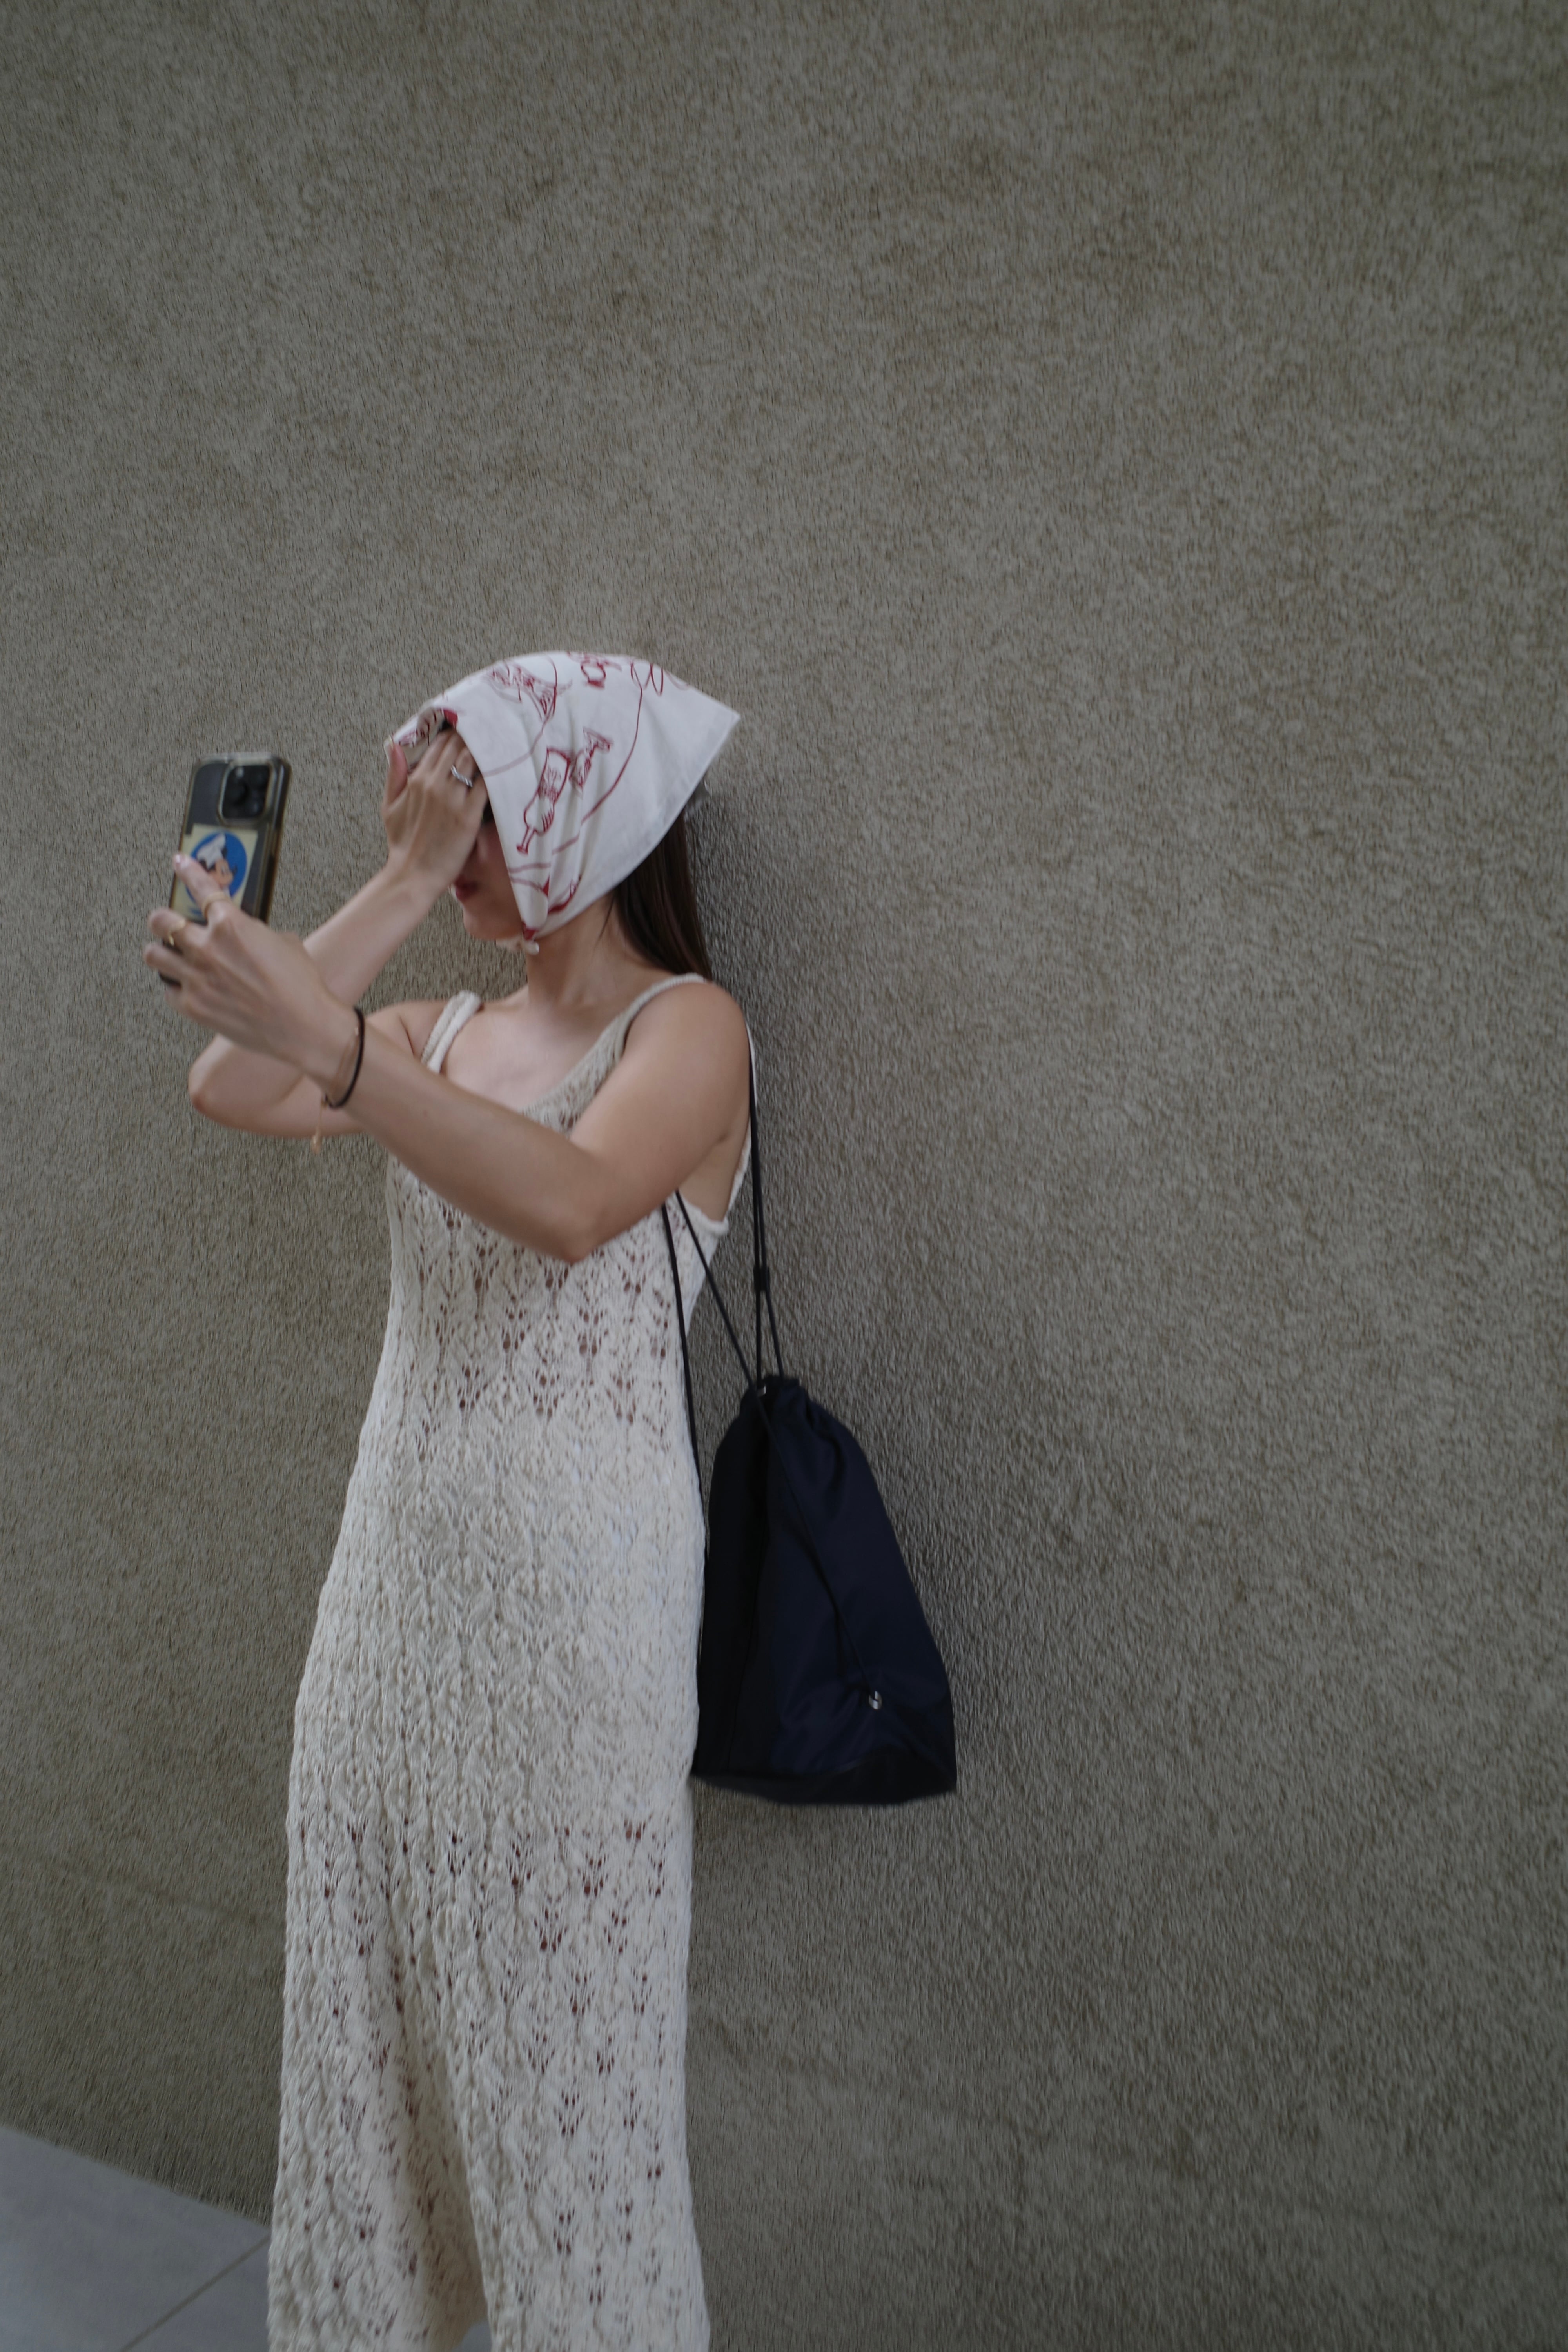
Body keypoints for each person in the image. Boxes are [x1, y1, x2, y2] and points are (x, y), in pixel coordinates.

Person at [144, 656, 750, 2352]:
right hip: (387, 1623)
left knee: (571, 2114)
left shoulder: (690, 1028)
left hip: (576, 1641)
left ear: (583, 815)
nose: (449, 845)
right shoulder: (439, 1031)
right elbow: (232, 1085)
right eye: (433, 818)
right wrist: (404, 889)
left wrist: (340, 1046)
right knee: (363, 2074)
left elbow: (572, 1203)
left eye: (474, 816)